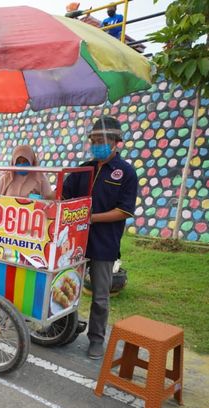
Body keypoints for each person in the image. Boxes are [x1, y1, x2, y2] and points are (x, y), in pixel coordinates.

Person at [62, 116, 137, 359]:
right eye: (93, 140)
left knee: (101, 296)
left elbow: (124, 211)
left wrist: (91, 218)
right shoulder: (84, 169)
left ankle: (96, 338)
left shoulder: (125, 172)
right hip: (74, 242)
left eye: (101, 140)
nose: (96, 144)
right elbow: (63, 194)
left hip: (104, 244)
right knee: (65, 286)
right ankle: (62, 327)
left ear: (117, 142)